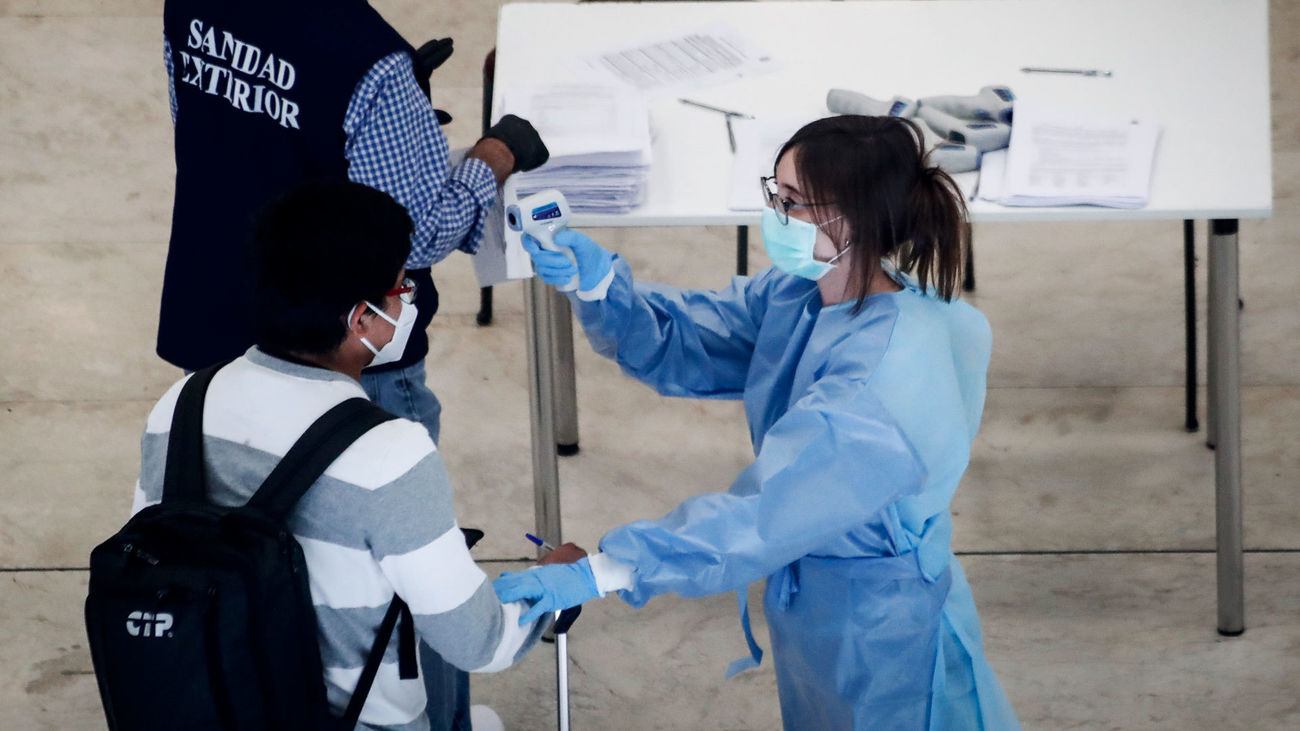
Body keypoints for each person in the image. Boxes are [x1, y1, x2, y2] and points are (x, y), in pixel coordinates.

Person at [495, 115, 1020, 729]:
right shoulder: (803, 294)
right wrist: (602, 288)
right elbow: (696, 338)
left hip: (881, 626)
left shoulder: (882, 383)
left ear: (852, 217)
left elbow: (766, 513)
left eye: (792, 202)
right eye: (776, 192)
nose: (775, 214)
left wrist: (606, 569)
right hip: (821, 598)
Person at [158, 4, 548, 724]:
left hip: (217, 314)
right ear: (369, 312)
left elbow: (208, 125)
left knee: (223, 552)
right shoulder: (372, 64)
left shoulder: (191, 3)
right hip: (356, 368)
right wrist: (493, 156)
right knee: (407, 579)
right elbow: (417, 234)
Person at [132, 181, 562, 731]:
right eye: (402, 287)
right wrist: (553, 583)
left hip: (204, 707)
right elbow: (480, 643)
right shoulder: (389, 454)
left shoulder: (179, 405)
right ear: (361, 320)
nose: (407, 300)